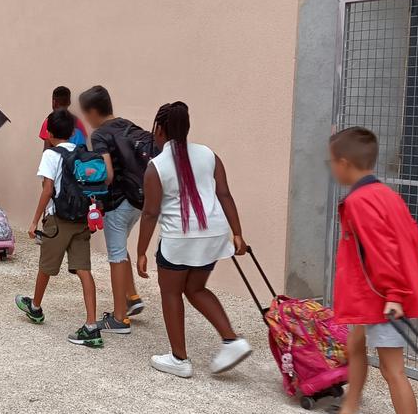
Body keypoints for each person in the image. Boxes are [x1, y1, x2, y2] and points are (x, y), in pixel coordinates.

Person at [315, 127, 418, 414]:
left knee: (393, 370)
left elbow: (382, 252)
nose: (331, 169)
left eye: (331, 162)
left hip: (383, 298)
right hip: (376, 298)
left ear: (344, 162)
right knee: (355, 344)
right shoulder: (385, 194)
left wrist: (397, 294)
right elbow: (411, 236)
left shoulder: (359, 201)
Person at [135, 102, 251, 378]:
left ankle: (179, 359)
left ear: (159, 129)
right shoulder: (209, 155)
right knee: (196, 289)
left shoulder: (157, 166)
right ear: (187, 127)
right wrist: (237, 233)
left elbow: (150, 213)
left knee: (171, 292)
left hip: (180, 239)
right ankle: (231, 340)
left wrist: (141, 252)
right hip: (213, 233)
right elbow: (224, 194)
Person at [15, 109, 102, 348]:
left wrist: (34, 220)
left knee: (46, 265)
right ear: (72, 131)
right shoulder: (82, 153)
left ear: (50, 133)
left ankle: (35, 306)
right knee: (84, 269)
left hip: (58, 218)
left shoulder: (51, 155)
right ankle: (92, 326)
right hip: (82, 218)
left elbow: (47, 190)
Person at [79, 85, 149, 335]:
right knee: (121, 248)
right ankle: (131, 297)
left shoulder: (100, 135)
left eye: (86, 115)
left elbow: (107, 175)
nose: (87, 120)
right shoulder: (129, 125)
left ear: (94, 111)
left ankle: (120, 318)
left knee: (116, 254)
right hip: (138, 201)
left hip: (117, 201)